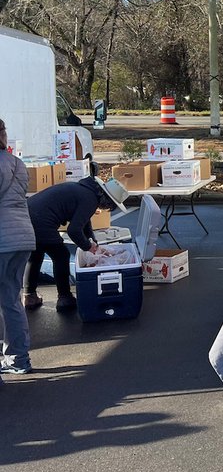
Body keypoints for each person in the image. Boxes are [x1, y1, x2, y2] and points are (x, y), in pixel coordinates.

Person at [23, 175, 129, 313]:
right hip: (42, 222)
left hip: (25, 217)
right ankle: (64, 297)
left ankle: (29, 296)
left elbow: (84, 221)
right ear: (108, 201)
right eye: (110, 206)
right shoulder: (90, 199)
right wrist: (88, 247)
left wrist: (93, 241)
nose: (107, 209)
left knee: (35, 256)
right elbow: (73, 230)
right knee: (61, 256)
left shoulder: (85, 191)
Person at [0, 117, 35, 378]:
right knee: (11, 300)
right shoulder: (17, 163)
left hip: (3, 239)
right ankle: (19, 359)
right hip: (22, 237)